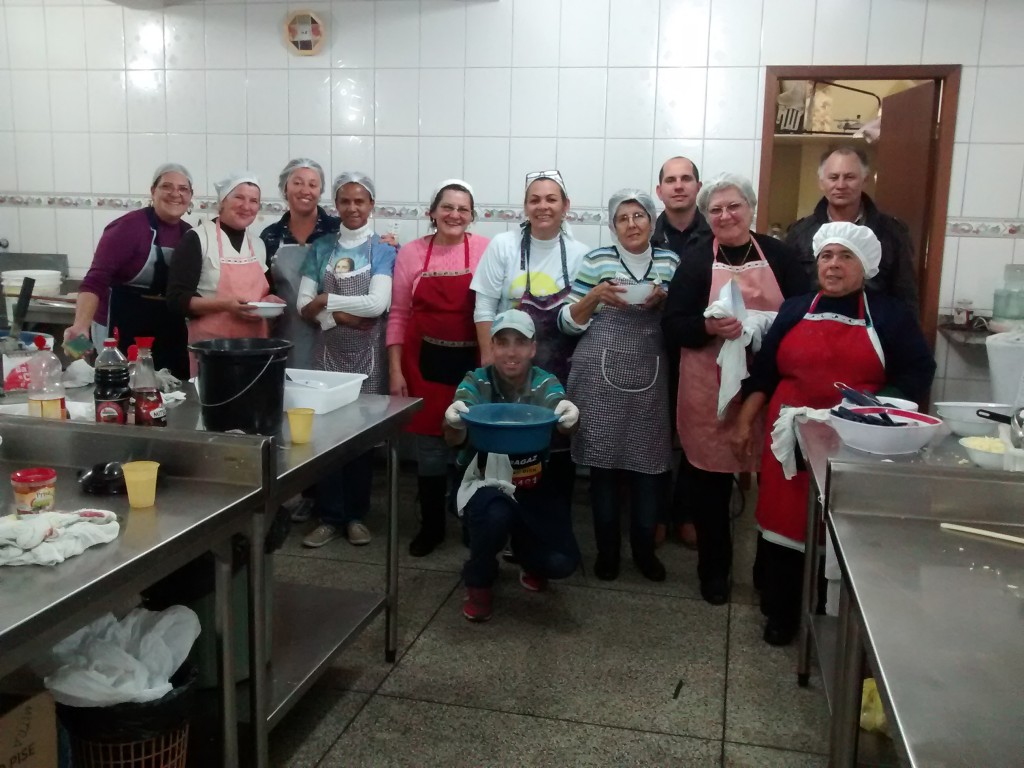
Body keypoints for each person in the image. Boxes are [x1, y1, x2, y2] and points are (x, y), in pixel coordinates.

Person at [733, 222, 935, 645]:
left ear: (865, 267)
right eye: (827, 256)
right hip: (789, 437)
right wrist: (744, 422)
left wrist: (875, 408)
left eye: (845, 257)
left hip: (855, 439)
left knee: (838, 526)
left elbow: (918, 371)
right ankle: (782, 610)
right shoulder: (795, 308)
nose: (834, 265)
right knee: (784, 521)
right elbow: (765, 372)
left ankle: (832, 614)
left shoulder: (890, 315)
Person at [661, 173, 808, 606]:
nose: (725, 215)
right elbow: (673, 325)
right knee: (709, 488)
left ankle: (768, 572)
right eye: (716, 209)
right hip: (710, 389)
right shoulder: (695, 261)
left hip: (772, 385)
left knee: (777, 484)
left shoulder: (778, 255)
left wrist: (764, 329)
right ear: (707, 216)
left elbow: (803, 316)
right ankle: (714, 572)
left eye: (734, 206)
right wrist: (709, 326)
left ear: (751, 208)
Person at [559, 189, 679, 582]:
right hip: (599, 374)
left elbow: (684, 320)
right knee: (603, 469)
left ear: (652, 221)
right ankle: (608, 552)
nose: (632, 224)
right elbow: (566, 321)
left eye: (639, 216)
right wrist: (594, 296)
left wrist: (666, 303)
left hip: (652, 373)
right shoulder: (596, 261)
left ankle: (644, 552)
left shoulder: (670, 262)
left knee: (649, 469)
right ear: (613, 226)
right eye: (623, 218)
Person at [444, 309, 581, 622]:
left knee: (561, 561)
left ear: (533, 348)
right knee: (495, 516)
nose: (511, 351)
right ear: (492, 348)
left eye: (520, 342)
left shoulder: (544, 382)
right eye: (503, 342)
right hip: (481, 481)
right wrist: (455, 419)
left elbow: (560, 413)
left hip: (531, 483)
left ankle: (526, 554)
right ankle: (479, 578)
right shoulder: (476, 381)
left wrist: (568, 413)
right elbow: (452, 437)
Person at [470, 171, 591, 513]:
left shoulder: (582, 255)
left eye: (551, 199)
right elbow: (484, 306)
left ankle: (551, 524)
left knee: (555, 450)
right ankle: (503, 524)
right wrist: (487, 359)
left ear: (566, 206)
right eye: (534, 199)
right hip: (508, 366)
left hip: (561, 367)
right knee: (508, 449)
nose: (543, 206)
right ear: (525, 206)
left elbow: (584, 318)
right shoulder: (503, 247)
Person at [387, 180, 489, 557]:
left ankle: (468, 519)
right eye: (447, 207)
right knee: (430, 449)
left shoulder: (483, 249)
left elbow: (490, 310)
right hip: (422, 364)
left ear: (472, 216)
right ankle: (430, 526)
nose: (454, 215)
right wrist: (395, 370)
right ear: (433, 212)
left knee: (469, 446)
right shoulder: (413, 253)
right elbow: (398, 314)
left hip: (469, 365)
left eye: (463, 209)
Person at [298, 172, 397, 548]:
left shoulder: (383, 251)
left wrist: (326, 302)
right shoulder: (322, 247)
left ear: (371, 205)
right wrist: (340, 316)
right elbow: (302, 305)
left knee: (360, 439)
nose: (353, 208)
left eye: (360, 201)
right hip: (328, 356)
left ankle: (356, 515)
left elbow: (378, 304)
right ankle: (329, 516)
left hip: (368, 357)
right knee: (327, 437)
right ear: (336, 206)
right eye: (345, 201)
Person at [67, 163, 194, 378]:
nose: (175, 194)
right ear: (153, 191)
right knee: (121, 387)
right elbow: (95, 281)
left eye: (183, 189)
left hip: (167, 327)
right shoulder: (129, 227)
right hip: (121, 323)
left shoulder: (189, 234)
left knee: (172, 390)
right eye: (167, 186)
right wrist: (80, 326)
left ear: (191, 196)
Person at [166, 172, 282, 376]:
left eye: (254, 200)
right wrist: (225, 305)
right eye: (239, 197)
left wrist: (270, 300)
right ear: (222, 202)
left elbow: (265, 292)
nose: (246, 206)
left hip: (254, 349)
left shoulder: (258, 244)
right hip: (212, 351)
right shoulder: (198, 239)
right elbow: (176, 299)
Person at [652, 155, 711, 551]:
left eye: (686, 178)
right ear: (659, 191)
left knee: (696, 433)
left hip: (702, 348)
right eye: (670, 180)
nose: (678, 186)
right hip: (653, 350)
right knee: (655, 432)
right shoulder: (642, 232)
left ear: (697, 187)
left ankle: (686, 512)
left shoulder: (716, 234)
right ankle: (654, 511)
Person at [785, 146, 918, 311]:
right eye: (833, 177)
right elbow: (787, 294)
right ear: (821, 182)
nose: (841, 185)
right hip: (814, 328)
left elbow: (906, 298)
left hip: (874, 329)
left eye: (849, 177)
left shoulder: (892, 232)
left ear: (865, 180)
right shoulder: (799, 233)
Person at [260, 158, 339, 370]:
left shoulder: (338, 231)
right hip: (287, 335)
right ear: (285, 188)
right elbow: (264, 287)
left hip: (335, 333)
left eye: (313, 184)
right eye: (297, 183)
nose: (305, 190)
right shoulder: (270, 236)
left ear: (320, 191)